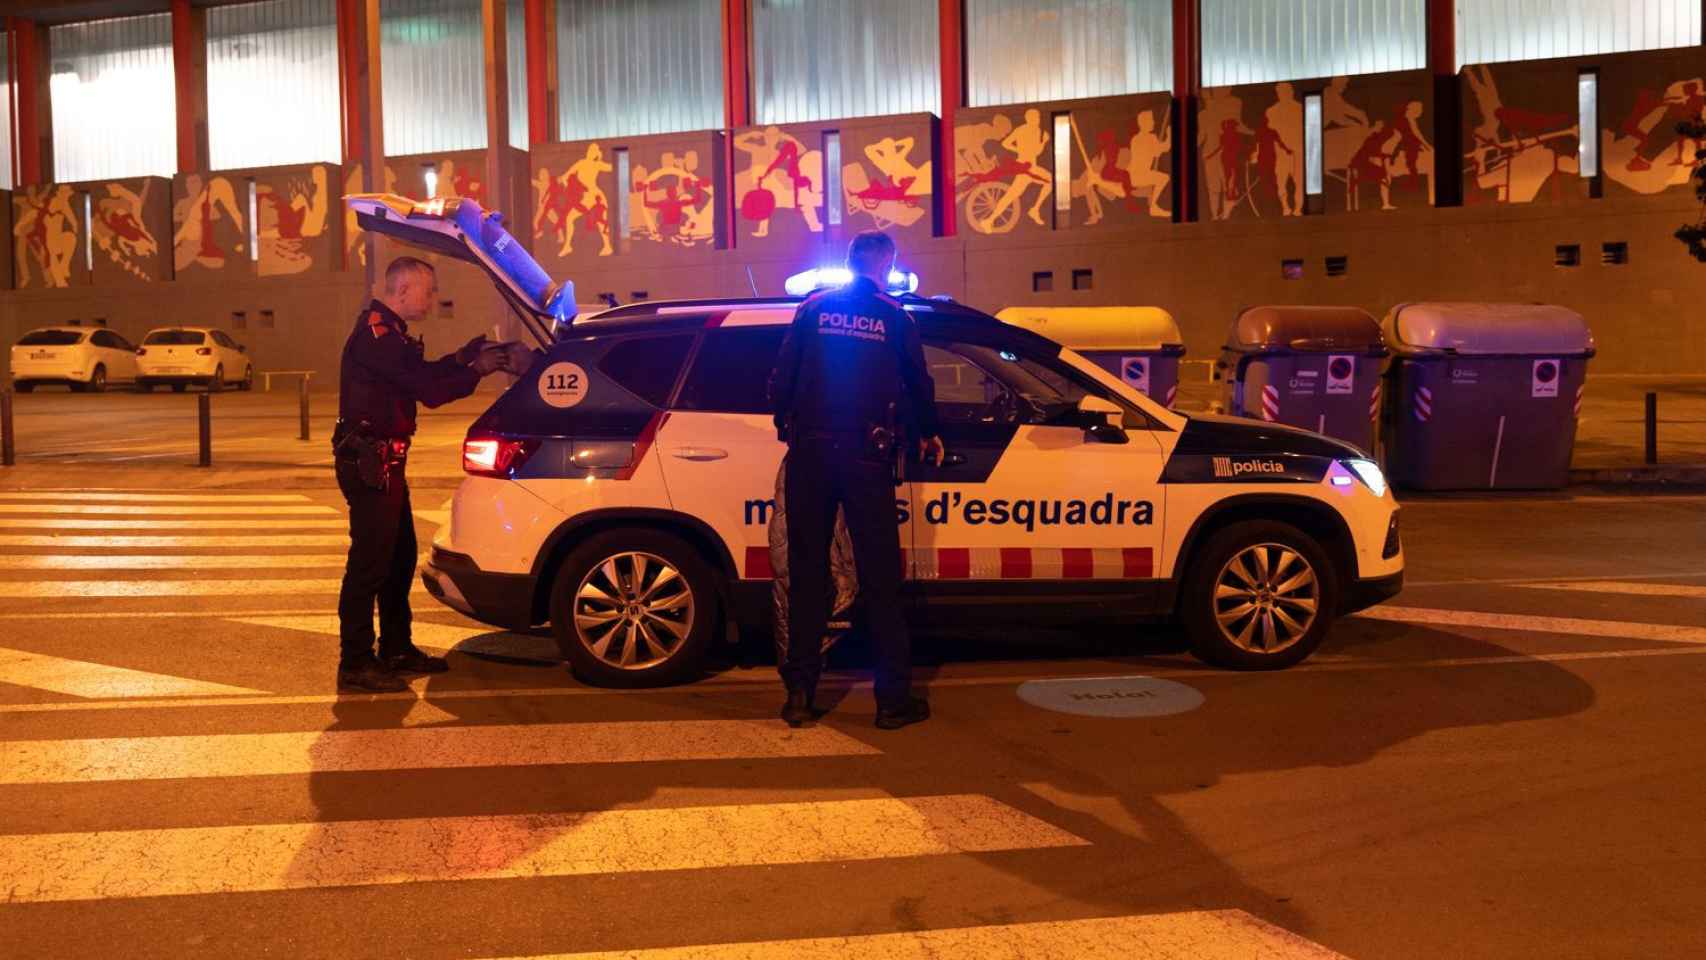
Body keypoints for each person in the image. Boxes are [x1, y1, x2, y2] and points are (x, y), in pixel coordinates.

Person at [768, 231, 945, 731]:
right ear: (885, 266)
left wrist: (788, 424)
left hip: (811, 455)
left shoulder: (812, 309)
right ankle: (892, 702)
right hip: (868, 458)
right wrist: (929, 433)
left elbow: (779, 381)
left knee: (807, 575)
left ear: (848, 263)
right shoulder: (894, 315)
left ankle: (799, 697)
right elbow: (917, 383)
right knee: (881, 580)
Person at [333, 256, 512, 692]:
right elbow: (430, 391)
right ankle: (356, 662)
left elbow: (422, 374)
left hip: (385, 461)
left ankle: (396, 648)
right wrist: (476, 370)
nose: (432, 299)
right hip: (370, 463)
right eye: (428, 290)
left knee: (397, 559)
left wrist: (464, 357)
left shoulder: (390, 334)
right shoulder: (377, 338)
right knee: (370, 564)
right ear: (403, 290)